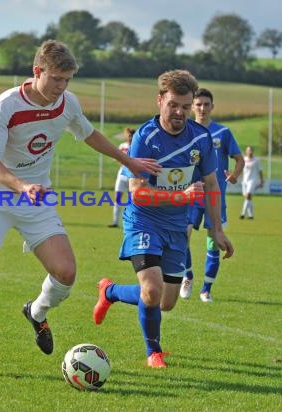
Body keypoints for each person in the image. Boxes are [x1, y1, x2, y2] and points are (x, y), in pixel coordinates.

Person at [0, 40, 160, 376]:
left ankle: (37, 313)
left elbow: (89, 135)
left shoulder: (67, 103)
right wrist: (21, 185)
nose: (62, 87)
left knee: (66, 273)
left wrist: (128, 160)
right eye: (56, 79)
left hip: (37, 199)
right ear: (37, 71)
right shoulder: (6, 105)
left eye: (68, 80)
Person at [92, 70, 234, 368]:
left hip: (175, 227)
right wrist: (181, 196)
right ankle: (153, 352)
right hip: (143, 220)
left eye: (185, 106)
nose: (180, 112)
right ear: (160, 101)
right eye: (173, 105)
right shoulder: (146, 138)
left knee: (167, 302)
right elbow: (138, 193)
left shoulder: (201, 138)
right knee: (152, 290)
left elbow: (211, 184)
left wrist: (216, 229)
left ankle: (110, 291)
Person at [180, 88, 244, 302]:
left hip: (215, 195)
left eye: (206, 104)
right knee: (183, 235)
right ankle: (187, 276)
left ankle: (206, 289)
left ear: (212, 107)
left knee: (213, 241)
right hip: (193, 193)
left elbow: (239, 158)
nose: (202, 108)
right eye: (198, 104)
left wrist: (234, 175)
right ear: (192, 107)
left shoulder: (222, 133)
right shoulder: (186, 131)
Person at [108, 127, 135, 228]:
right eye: (128, 135)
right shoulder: (122, 146)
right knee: (117, 198)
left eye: (131, 135)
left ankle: (132, 222)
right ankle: (115, 222)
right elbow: (117, 158)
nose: (129, 137)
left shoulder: (137, 146)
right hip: (122, 175)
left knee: (132, 200)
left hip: (132, 177)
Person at [240, 146, 264, 219]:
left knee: (248, 196)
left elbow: (260, 171)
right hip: (245, 181)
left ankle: (243, 214)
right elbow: (241, 169)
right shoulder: (244, 159)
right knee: (248, 198)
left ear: (252, 151)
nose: (249, 152)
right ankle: (251, 215)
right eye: (248, 150)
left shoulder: (256, 160)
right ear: (246, 152)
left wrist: (262, 181)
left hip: (253, 180)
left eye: (250, 150)